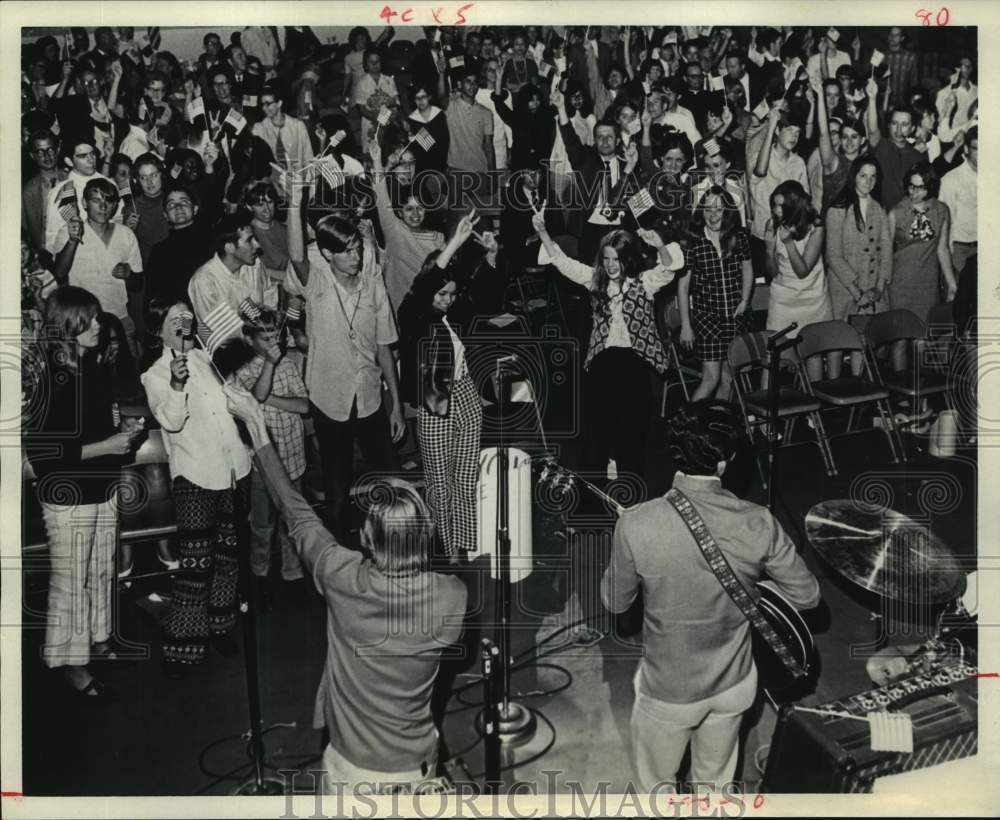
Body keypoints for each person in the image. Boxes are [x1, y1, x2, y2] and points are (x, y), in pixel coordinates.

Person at [222, 384, 467, 794]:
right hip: (415, 771)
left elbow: (294, 510)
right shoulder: (452, 595)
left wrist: (257, 427)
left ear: (368, 540)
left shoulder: (342, 576)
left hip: (351, 769)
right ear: (426, 537)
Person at [603, 399, 820, 791]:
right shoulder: (758, 520)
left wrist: (625, 537)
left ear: (675, 452)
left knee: (658, 787)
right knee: (715, 788)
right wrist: (749, 587)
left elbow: (614, 602)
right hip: (735, 684)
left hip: (668, 691)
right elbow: (807, 597)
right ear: (726, 460)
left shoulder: (638, 523)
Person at [24, 286, 144, 701]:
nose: (99, 325)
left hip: (102, 484)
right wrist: (107, 447)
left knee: (100, 570)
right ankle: (70, 666)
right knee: (72, 580)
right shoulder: (46, 376)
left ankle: (96, 642)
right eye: (90, 319)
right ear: (68, 324)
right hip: (67, 492)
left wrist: (123, 435)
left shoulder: (92, 365)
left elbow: (98, 423)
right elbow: (43, 454)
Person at [285, 171, 406, 544]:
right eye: (347, 250)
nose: (355, 255)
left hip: (370, 397)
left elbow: (384, 346)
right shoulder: (317, 282)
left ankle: (394, 553)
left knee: (390, 485)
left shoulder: (373, 286)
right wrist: (294, 198)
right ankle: (338, 565)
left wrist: (396, 406)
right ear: (326, 254)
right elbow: (294, 254)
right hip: (330, 400)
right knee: (337, 494)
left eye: (357, 247)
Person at [140, 297, 252, 675]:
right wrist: (175, 382)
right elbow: (171, 422)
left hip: (234, 466)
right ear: (158, 329)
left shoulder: (207, 358)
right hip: (194, 474)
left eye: (187, 315)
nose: (184, 321)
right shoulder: (155, 374)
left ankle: (219, 625)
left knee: (229, 555)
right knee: (195, 564)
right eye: (174, 318)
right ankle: (183, 646)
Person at [533, 211, 684, 485]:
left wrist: (660, 245)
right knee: (597, 433)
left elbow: (669, 268)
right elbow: (563, 262)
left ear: (628, 259)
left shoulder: (644, 283)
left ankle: (631, 489)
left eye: (617, 259)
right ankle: (594, 494)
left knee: (632, 433)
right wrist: (543, 232)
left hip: (635, 364)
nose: (611, 265)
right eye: (607, 259)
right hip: (602, 364)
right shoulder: (595, 280)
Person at [397, 212, 499, 560]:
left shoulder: (453, 314)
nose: (445, 299)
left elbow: (483, 295)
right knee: (440, 484)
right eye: (440, 293)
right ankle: (447, 546)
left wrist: (489, 255)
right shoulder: (413, 314)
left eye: (450, 294)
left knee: (466, 477)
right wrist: (454, 242)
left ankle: (466, 542)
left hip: (467, 395)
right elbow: (426, 286)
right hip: (435, 403)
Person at [234, 309, 309, 599]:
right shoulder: (243, 368)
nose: (272, 344)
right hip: (262, 464)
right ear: (250, 340)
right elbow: (253, 396)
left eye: (275, 337)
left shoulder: (289, 366)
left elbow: (304, 406)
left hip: (292, 459)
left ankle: (293, 574)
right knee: (262, 525)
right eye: (265, 339)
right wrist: (268, 365)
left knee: (292, 523)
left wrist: (270, 399)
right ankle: (260, 574)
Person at [51, 178, 143, 357]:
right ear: (84, 203)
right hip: (83, 320)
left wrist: (129, 274)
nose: (103, 206)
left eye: (108, 201)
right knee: (89, 376)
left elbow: (137, 283)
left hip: (119, 317)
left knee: (129, 372)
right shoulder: (68, 230)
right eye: (96, 200)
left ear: (115, 205)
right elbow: (60, 272)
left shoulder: (126, 234)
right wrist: (72, 240)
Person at [678, 186, 754, 401]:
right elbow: (683, 287)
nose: (713, 214)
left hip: (735, 316)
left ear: (728, 212)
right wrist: (686, 326)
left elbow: (747, 268)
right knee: (711, 378)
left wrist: (745, 300)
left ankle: (715, 426)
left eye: (719, 209)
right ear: (701, 211)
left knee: (728, 378)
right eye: (708, 209)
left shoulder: (738, 237)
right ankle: (687, 427)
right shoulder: (693, 241)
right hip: (707, 318)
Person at [765, 180, 832, 381]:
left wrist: (789, 244)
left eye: (781, 206)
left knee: (813, 353)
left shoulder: (816, 227)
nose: (776, 210)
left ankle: (814, 404)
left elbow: (803, 270)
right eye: (774, 205)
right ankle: (765, 409)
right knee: (773, 354)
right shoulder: (773, 224)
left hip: (812, 298)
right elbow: (772, 273)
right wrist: (769, 249)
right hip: (783, 298)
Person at [188, 211, 279, 353]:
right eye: (249, 241)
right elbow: (214, 334)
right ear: (229, 247)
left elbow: (270, 301)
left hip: (263, 344)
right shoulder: (204, 280)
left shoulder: (255, 266)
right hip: (228, 354)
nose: (257, 245)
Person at [370, 142, 446, 312]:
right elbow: (380, 198)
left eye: (411, 163)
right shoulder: (394, 226)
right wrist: (380, 163)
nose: (415, 214)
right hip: (398, 298)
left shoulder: (438, 237)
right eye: (401, 163)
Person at [825, 154, 892, 320]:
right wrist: (857, 294)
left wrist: (879, 286)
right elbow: (834, 256)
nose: (868, 182)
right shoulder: (837, 210)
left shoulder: (878, 208)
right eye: (863, 176)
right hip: (846, 290)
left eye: (873, 177)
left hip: (874, 290)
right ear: (853, 176)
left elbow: (886, 250)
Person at [888, 161, 957, 319]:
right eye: (911, 186)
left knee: (925, 337)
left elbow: (942, 249)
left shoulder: (941, 211)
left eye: (921, 188)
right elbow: (885, 255)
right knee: (900, 338)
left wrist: (952, 284)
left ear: (931, 187)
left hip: (928, 283)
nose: (914, 192)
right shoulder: (895, 213)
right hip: (900, 283)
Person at [748, 105, 809, 280]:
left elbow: (804, 200)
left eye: (798, 133)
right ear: (777, 131)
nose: (794, 137)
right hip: (762, 236)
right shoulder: (760, 157)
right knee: (762, 293)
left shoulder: (798, 163)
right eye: (789, 131)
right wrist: (770, 127)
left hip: (788, 237)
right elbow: (760, 171)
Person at [146, 185, 214, 302]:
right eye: (171, 205)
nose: (178, 207)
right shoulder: (159, 251)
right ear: (166, 215)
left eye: (184, 202)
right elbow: (153, 295)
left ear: (195, 209)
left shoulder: (213, 240)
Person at [937, 127, 977, 280]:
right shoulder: (951, 179)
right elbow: (945, 223)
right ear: (966, 149)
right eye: (976, 148)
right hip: (961, 250)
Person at [352, 49, 399, 155]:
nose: (374, 64)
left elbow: (395, 103)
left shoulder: (389, 80)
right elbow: (362, 109)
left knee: (389, 156)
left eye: (377, 61)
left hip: (388, 124)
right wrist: (377, 119)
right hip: (370, 125)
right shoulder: (361, 83)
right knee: (372, 157)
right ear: (366, 64)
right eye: (371, 62)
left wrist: (388, 115)